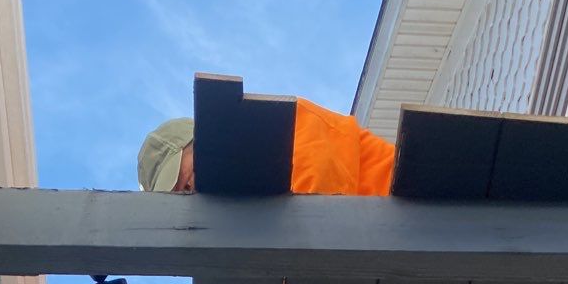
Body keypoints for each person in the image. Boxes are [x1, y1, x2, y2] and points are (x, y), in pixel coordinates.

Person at [137, 100, 396, 197]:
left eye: (185, 183)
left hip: (424, 218)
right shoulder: (244, 209)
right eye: (182, 195)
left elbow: (316, 221)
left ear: (204, 140)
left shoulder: (285, 127)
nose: (192, 193)